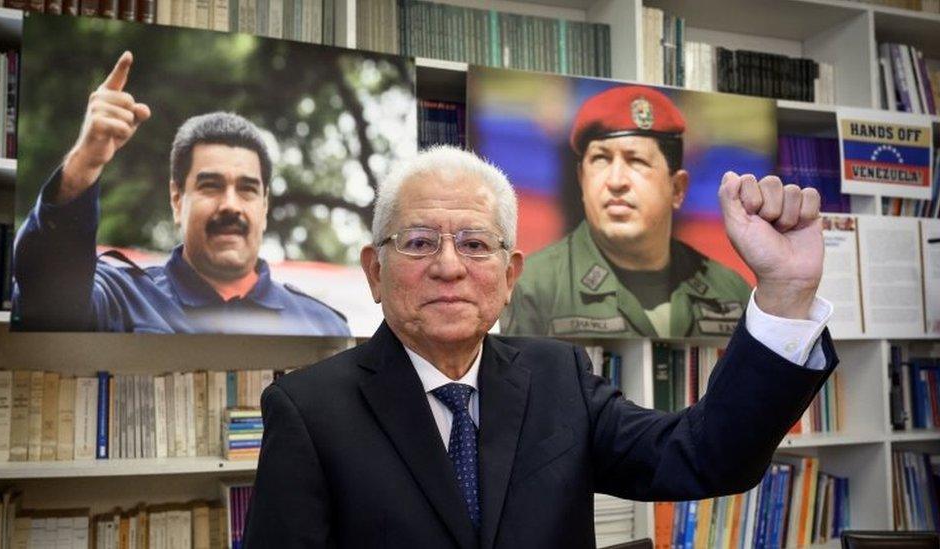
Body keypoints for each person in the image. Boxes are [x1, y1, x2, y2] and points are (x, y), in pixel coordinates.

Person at [243, 145, 836, 548]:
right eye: (420, 242)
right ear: (375, 271)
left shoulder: (560, 376)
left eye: (476, 244)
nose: (449, 266)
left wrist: (785, 294)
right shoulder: (308, 410)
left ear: (509, 276)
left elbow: (705, 455)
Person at [12, 51, 350, 336]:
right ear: (177, 200)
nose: (230, 205)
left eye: (247, 190)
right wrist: (83, 165)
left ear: (264, 207)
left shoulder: (323, 327)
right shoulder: (117, 298)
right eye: (211, 186)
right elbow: (47, 297)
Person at [502, 85, 752, 338]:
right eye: (601, 160)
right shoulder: (532, 290)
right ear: (581, 180)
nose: (616, 180)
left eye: (637, 161)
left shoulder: (730, 293)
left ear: (677, 188)